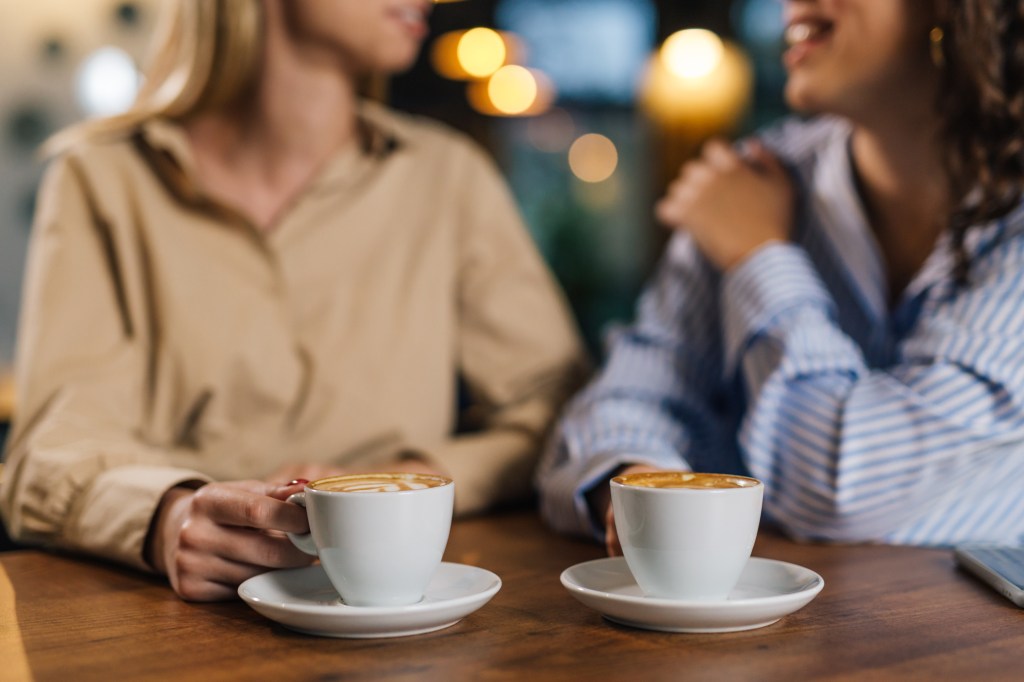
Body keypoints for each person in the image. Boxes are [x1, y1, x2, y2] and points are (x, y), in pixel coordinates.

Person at [0, 0, 586, 600]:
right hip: (172, 625)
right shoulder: (99, 180)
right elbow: (48, 456)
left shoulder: (450, 178)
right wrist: (169, 517)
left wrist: (408, 481)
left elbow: (562, 415)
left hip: (396, 618)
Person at [538, 0, 1024, 555]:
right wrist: (640, 482)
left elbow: (839, 490)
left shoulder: (740, 215)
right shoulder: (750, 177)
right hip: (749, 625)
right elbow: (627, 397)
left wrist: (759, 257)